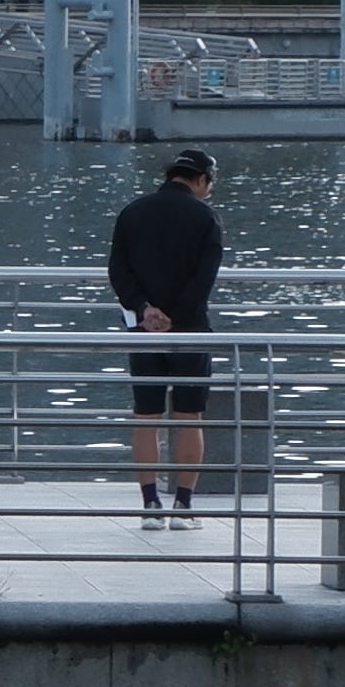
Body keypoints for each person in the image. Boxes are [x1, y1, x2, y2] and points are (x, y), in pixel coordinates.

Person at [108, 149, 225, 526]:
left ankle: (149, 505)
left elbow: (118, 270)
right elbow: (203, 280)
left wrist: (146, 309)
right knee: (189, 415)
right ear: (202, 180)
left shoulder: (133, 212)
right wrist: (176, 316)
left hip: (142, 329)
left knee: (146, 414)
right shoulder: (206, 218)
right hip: (190, 330)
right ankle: (184, 507)